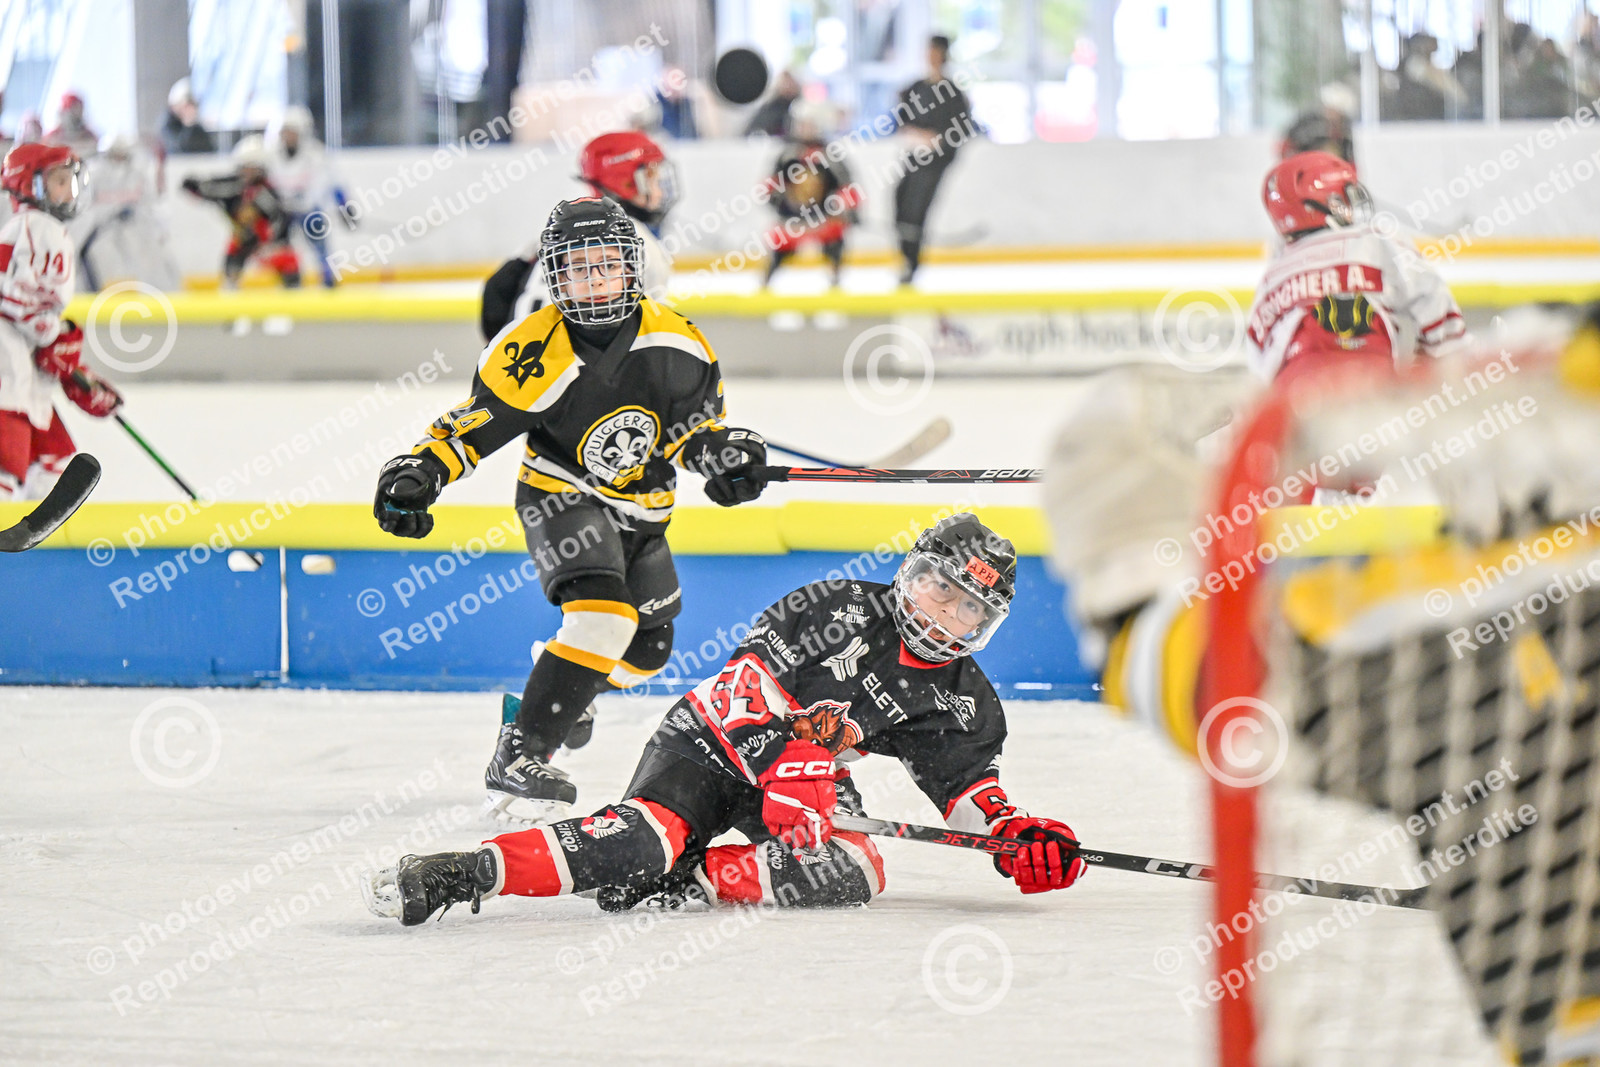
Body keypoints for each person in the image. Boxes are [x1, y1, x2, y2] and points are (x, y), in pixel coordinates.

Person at [362, 514, 1086, 924]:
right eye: (937, 587)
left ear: (984, 623)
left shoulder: (963, 697)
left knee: (852, 870)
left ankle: (690, 878)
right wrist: (791, 765)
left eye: (967, 607)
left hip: (803, 775)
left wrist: (1011, 834)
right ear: (911, 575)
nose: (943, 610)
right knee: (642, 839)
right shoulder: (833, 606)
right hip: (709, 745)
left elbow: (966, 789)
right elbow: (742, 690)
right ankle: (467, 871)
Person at [374, 196, 772, 825]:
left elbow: (694, 435)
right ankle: (522, 751)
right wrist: (419, 470)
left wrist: (723, 458)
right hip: (561, 497)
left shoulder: (679, 341)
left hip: (643, 512)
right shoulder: (530, 348)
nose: (594, 280)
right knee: (603, 618)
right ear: (555, 276)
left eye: (606, 265)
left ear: (632, 269)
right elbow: (470, 430)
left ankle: (557, 677)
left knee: (647, 652)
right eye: (578, 268)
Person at [1248, 151, 1464, 389]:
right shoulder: (1378, 240)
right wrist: (1443, 362)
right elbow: (1437, 309)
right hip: (1375, 384)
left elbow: (1259, 361)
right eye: (1342, 199)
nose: (1350, 205)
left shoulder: (1275, 274)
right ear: (1316, 205)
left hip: (1299, 393)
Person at [0, 143, 122, 500]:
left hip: (22, 371)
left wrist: (71, 365)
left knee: (56, 458)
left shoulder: (38, 229)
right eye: (58, 181)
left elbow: (34, 309)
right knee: (10, 460)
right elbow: (13, 297)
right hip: (7, 371)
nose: (69, 190)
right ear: (27, 184)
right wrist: (57, 335)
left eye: (70, 180)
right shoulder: (35, 228)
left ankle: (31, 520)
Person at [479, 130, 675, 344]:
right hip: (573, 359)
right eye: (651, 180)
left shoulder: (555, 233)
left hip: (519, 356)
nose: (659, 192)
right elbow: (650, 336)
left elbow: (495, 298)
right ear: (625, 182)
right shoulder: (639, 244)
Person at [892, 34, 978, 286]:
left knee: (917, 207)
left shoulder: (952, 92)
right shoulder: (915, 88)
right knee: (901, 202)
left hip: (936, 160)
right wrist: (915, 135)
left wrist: (937, 140)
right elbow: (902, 121)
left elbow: (961, 128)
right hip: (914, 156)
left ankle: (912, 261)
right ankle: (905, 256)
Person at [760, 101, 861, 289]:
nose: (805, 129)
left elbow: (849, 188)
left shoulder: (830, 156)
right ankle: (766, 283)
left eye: (809, 125)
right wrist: (773, 197)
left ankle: (835, 279)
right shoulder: (788, 155)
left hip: (824, 219)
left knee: (835, 242)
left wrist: (847, 207)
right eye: (802, 125)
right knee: (778, 249)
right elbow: (771, 187)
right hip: (792, 219)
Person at [180, 136, 301, 288]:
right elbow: (207, 187)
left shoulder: (267, 193)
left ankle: (292, 290)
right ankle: (231, 289)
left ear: (261, 168)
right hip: (243, 239)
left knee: (288, 263)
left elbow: (282, 219)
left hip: (266, 242)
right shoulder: (233, 187)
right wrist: (195, 185)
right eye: (244, 167)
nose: (246, 172)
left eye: (251, 168)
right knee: (232, 268)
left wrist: (273, 243)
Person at [76, 133, 181, 291]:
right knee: (95, 257)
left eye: (122, 154)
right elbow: (84, 205)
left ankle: (159, 294)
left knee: (153, 258)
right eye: (115, 154)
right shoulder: (94, 173)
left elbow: (151, 203)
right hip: (101, 228)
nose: (119, 159)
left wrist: (159, 228)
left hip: (136, 226)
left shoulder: (137, 173)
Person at [267, 106, 355, 288]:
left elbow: (334, 182)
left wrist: (345, 207)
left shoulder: (316, 154)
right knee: (280, 247)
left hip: (309, 210)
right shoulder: (272, 155)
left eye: (292, 132)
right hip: (283, 212)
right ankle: (290, 280)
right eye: (286, 132)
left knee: (321, 247)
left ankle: (328, 280)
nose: (288, 136)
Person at [160, 79, 216, 155]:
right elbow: (180, 149)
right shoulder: (168, 126)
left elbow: (209, 148)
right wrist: (189, 123)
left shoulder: (196, 126)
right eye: (188, 105)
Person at [742, 71, 801, 138]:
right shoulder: (771, 106)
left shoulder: (800, 107)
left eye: (790, 83)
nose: (787, 86)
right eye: (785, 83)